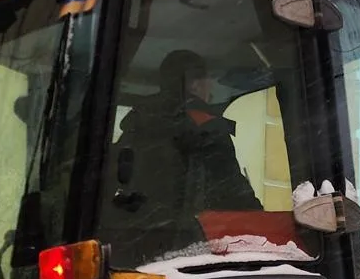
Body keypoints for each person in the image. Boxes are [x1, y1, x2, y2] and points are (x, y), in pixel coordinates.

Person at [106, 49, 261, 260]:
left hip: (133, 242)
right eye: (207, 81)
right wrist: (259, 218)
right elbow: (233, 191)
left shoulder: (137, 127)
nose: (210, 87)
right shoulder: (206, 128)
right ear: (194, 85)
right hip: (186, 246)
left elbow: (116, 180)